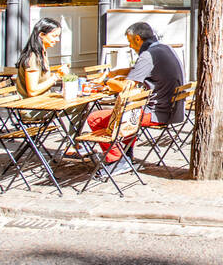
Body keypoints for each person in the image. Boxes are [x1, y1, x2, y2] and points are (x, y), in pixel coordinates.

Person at [84, 22, 185, 164]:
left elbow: (126, 88)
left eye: (130, 42)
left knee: (95, 118)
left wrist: (106, 81)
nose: (130, 46)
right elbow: (140, 68)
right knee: (126, 113)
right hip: (174, 111)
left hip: (156, 113)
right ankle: (126, 153)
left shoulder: (148, 55)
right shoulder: (164, 49)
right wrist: (116, 72)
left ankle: (117, 160)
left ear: (138, 38)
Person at [16, 18, 62, 98]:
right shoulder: (33, 57)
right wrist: (56, 76)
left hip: (44, 100)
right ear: (41, 35)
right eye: (54, 36)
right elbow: (33, 91)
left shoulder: (42, 53)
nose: (58, 40)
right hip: (32, 106)